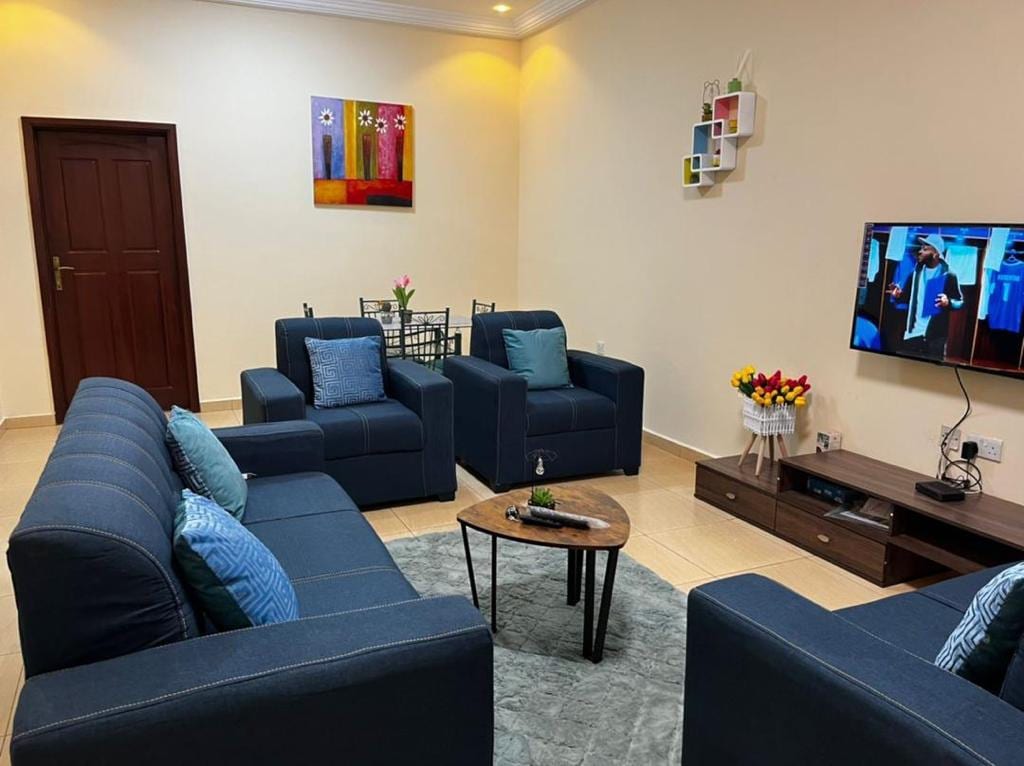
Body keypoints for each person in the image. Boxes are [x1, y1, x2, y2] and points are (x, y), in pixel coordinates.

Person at [886, 234, 963, 359]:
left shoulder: (949, 275)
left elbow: (960, 302)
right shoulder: (915, 274)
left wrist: (948, 302)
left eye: (925, 249)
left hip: (935, 337)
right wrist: (898, 295)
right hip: (912, 334)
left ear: (936, 254)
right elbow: (906, 299)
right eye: (921, 248)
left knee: (931, 370)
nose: (920, 251)